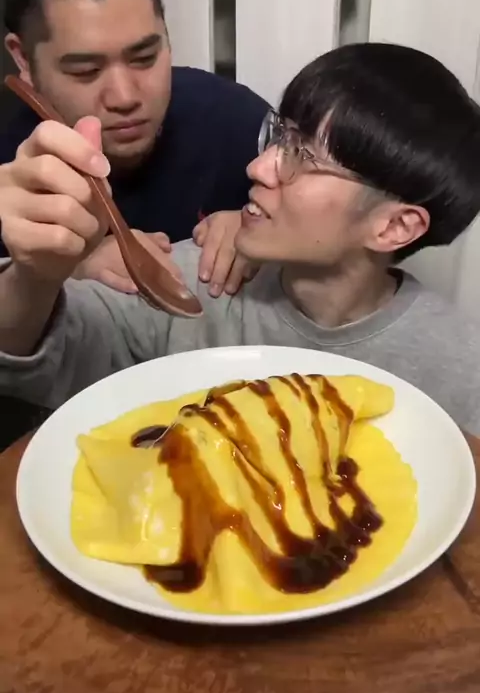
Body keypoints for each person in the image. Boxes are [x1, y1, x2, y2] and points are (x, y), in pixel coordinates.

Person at [1, 43, 480, 435]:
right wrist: (35, 275)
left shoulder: (457, 368)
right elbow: (39, 357)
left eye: (302, 156)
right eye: (280, 137)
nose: (258, 167)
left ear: (394, 227)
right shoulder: (200, 277)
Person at [0, 0, 269, 296]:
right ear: (24, 58)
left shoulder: (235, 120)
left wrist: (259, 228)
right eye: (86, 70)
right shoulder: (11, 177)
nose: (125, 97)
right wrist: (54, 271)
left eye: (144, 57)